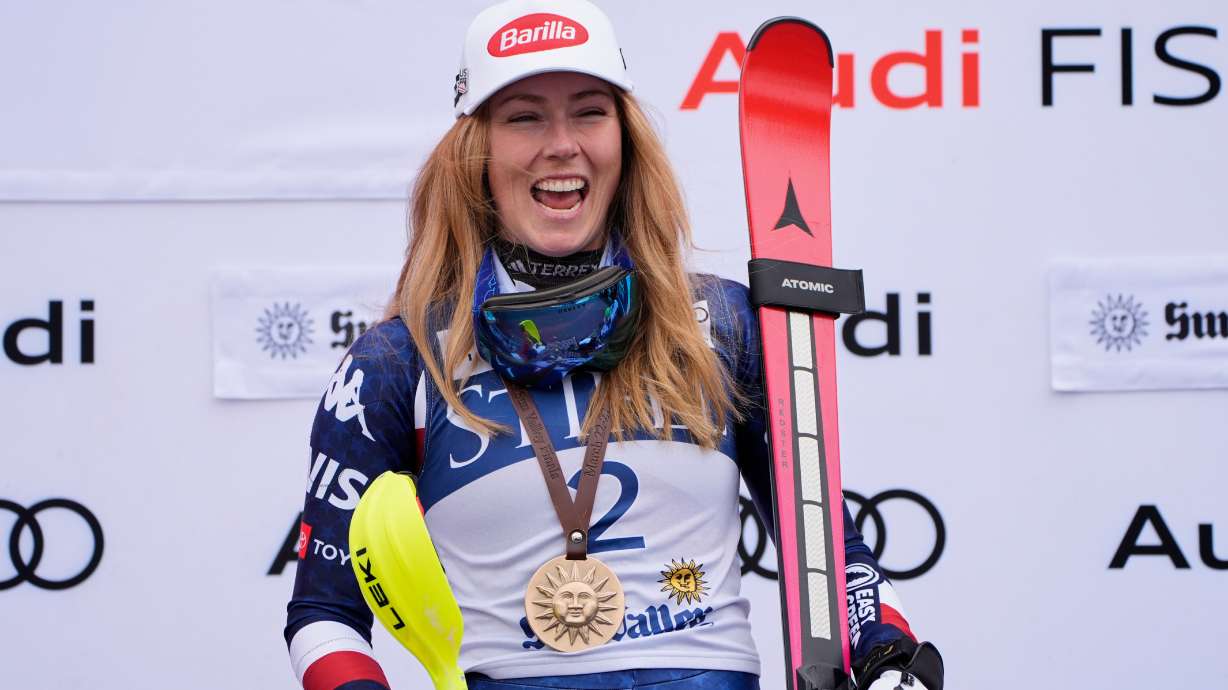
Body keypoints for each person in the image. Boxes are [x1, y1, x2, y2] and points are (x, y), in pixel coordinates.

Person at [284, 1, 943, 688]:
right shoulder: (400, 361)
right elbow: (323, 616)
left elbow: (831, 549)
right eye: (524, 116)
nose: (562, 143)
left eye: (590, 112)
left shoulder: (721, 323)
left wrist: (885, 648)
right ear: (475, 151)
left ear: (625, 141)